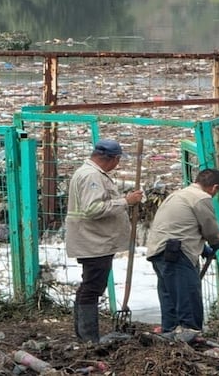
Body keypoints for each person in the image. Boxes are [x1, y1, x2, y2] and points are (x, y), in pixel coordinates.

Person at [64, 138, 144, 343]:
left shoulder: (90, 173)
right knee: (91, 288)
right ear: (111, 159)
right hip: (93, 242)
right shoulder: (92, 176)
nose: (118, 164)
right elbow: (93, 209)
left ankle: (86, 336)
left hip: (94, 240)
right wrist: (126, 202)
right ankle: (89, 338)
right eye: (118, 160)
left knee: (89, 287)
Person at [145, 168, 219, 335]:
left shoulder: (178, 195)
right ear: (214, 187)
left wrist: (202, 248)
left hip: (158, 249)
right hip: (177, 251)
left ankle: (169, 332)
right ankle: (191, 334)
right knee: (188, 295)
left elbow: (181, 226)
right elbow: (210, 228)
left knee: (169, 294)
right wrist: (216, 242)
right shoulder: (201, 198)